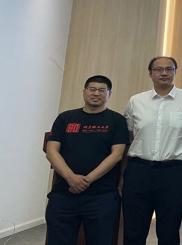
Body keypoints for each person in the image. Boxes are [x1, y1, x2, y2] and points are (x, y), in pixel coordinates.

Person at [123, 56, 182, 245]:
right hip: (139, 170)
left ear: (175, 72)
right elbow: (129, 138)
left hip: (173, 171)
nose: (164, 73)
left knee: (169, 230)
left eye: (169, 69)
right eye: (159, 69)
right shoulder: (136, 101)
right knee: (134, 229)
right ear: (150, 73)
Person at [45, 75, 129, 245]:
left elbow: (117, 155)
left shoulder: (117, 120)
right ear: (84, 92)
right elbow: (51, 151)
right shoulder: (65, 118)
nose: (96, 93)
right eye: (92, 89)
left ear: (109, 94)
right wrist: (70, 178)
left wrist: (86, 181)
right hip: (64, 192)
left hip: (102, 195)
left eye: (102, 90)